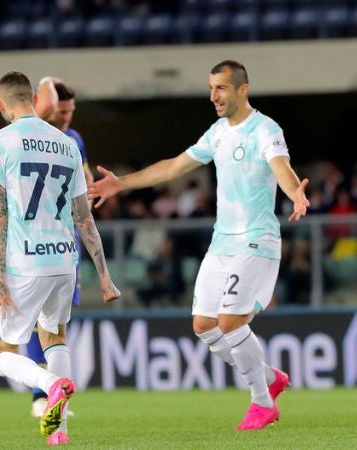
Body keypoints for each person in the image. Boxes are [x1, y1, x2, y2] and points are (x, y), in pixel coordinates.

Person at [89, 60, 309, 430]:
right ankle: (269, 377)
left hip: (256, 240)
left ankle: (262, 402)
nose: (213, 96)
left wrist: (295, 195)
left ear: (242, 89)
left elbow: (281, 167)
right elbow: (175, 166)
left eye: (221, 88)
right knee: (205, 326)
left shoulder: (264, 128)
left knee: (230, 322)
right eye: (211, 88)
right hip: (222, 242)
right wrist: (120, 183)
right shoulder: (218, 132)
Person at [0, 71, 120, 446]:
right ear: (31, 98)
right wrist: (104, 276)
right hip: (65, 262)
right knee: (54, 337)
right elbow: (84, 217)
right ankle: (59, 434)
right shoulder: (67, 144)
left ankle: (49, 385)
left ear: (1, 104)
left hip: (26, 262)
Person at [25, 76, 94, 417]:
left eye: (71, 112)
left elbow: (84, 183)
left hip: (68, 242)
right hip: (34, 242)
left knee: (60, 318)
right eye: (61, 110)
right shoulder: (34, 134)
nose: (66, 118)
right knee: (39, 318)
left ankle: (53, 394)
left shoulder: (75, 139)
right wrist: (47, 83)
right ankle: (41, 393)